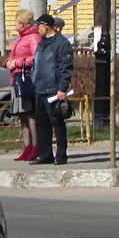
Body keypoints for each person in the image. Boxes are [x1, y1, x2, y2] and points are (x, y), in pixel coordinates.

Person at [31, 12, 74, 165]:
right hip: (40, 89)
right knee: (42, 124)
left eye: (38, 26)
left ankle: (61, 155)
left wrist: (62, 88)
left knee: (57, 123)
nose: (37, 29)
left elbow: (65, 67)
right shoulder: (42, 43)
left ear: (45, 27)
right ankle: (45, 155)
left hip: (54, 90)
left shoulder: (62, 44)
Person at [4, 8, 40, 162]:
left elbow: (37, 57)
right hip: (17, 78)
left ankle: (35, 146)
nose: (14, 24)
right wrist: (8, 63)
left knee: (30, 113)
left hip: (27, 79)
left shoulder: (33, 37)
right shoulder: (19, 38)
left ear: (23, 23)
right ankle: (26, 146)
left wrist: (18, 63)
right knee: (21, 115)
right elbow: (12, 56)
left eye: (17, 21)